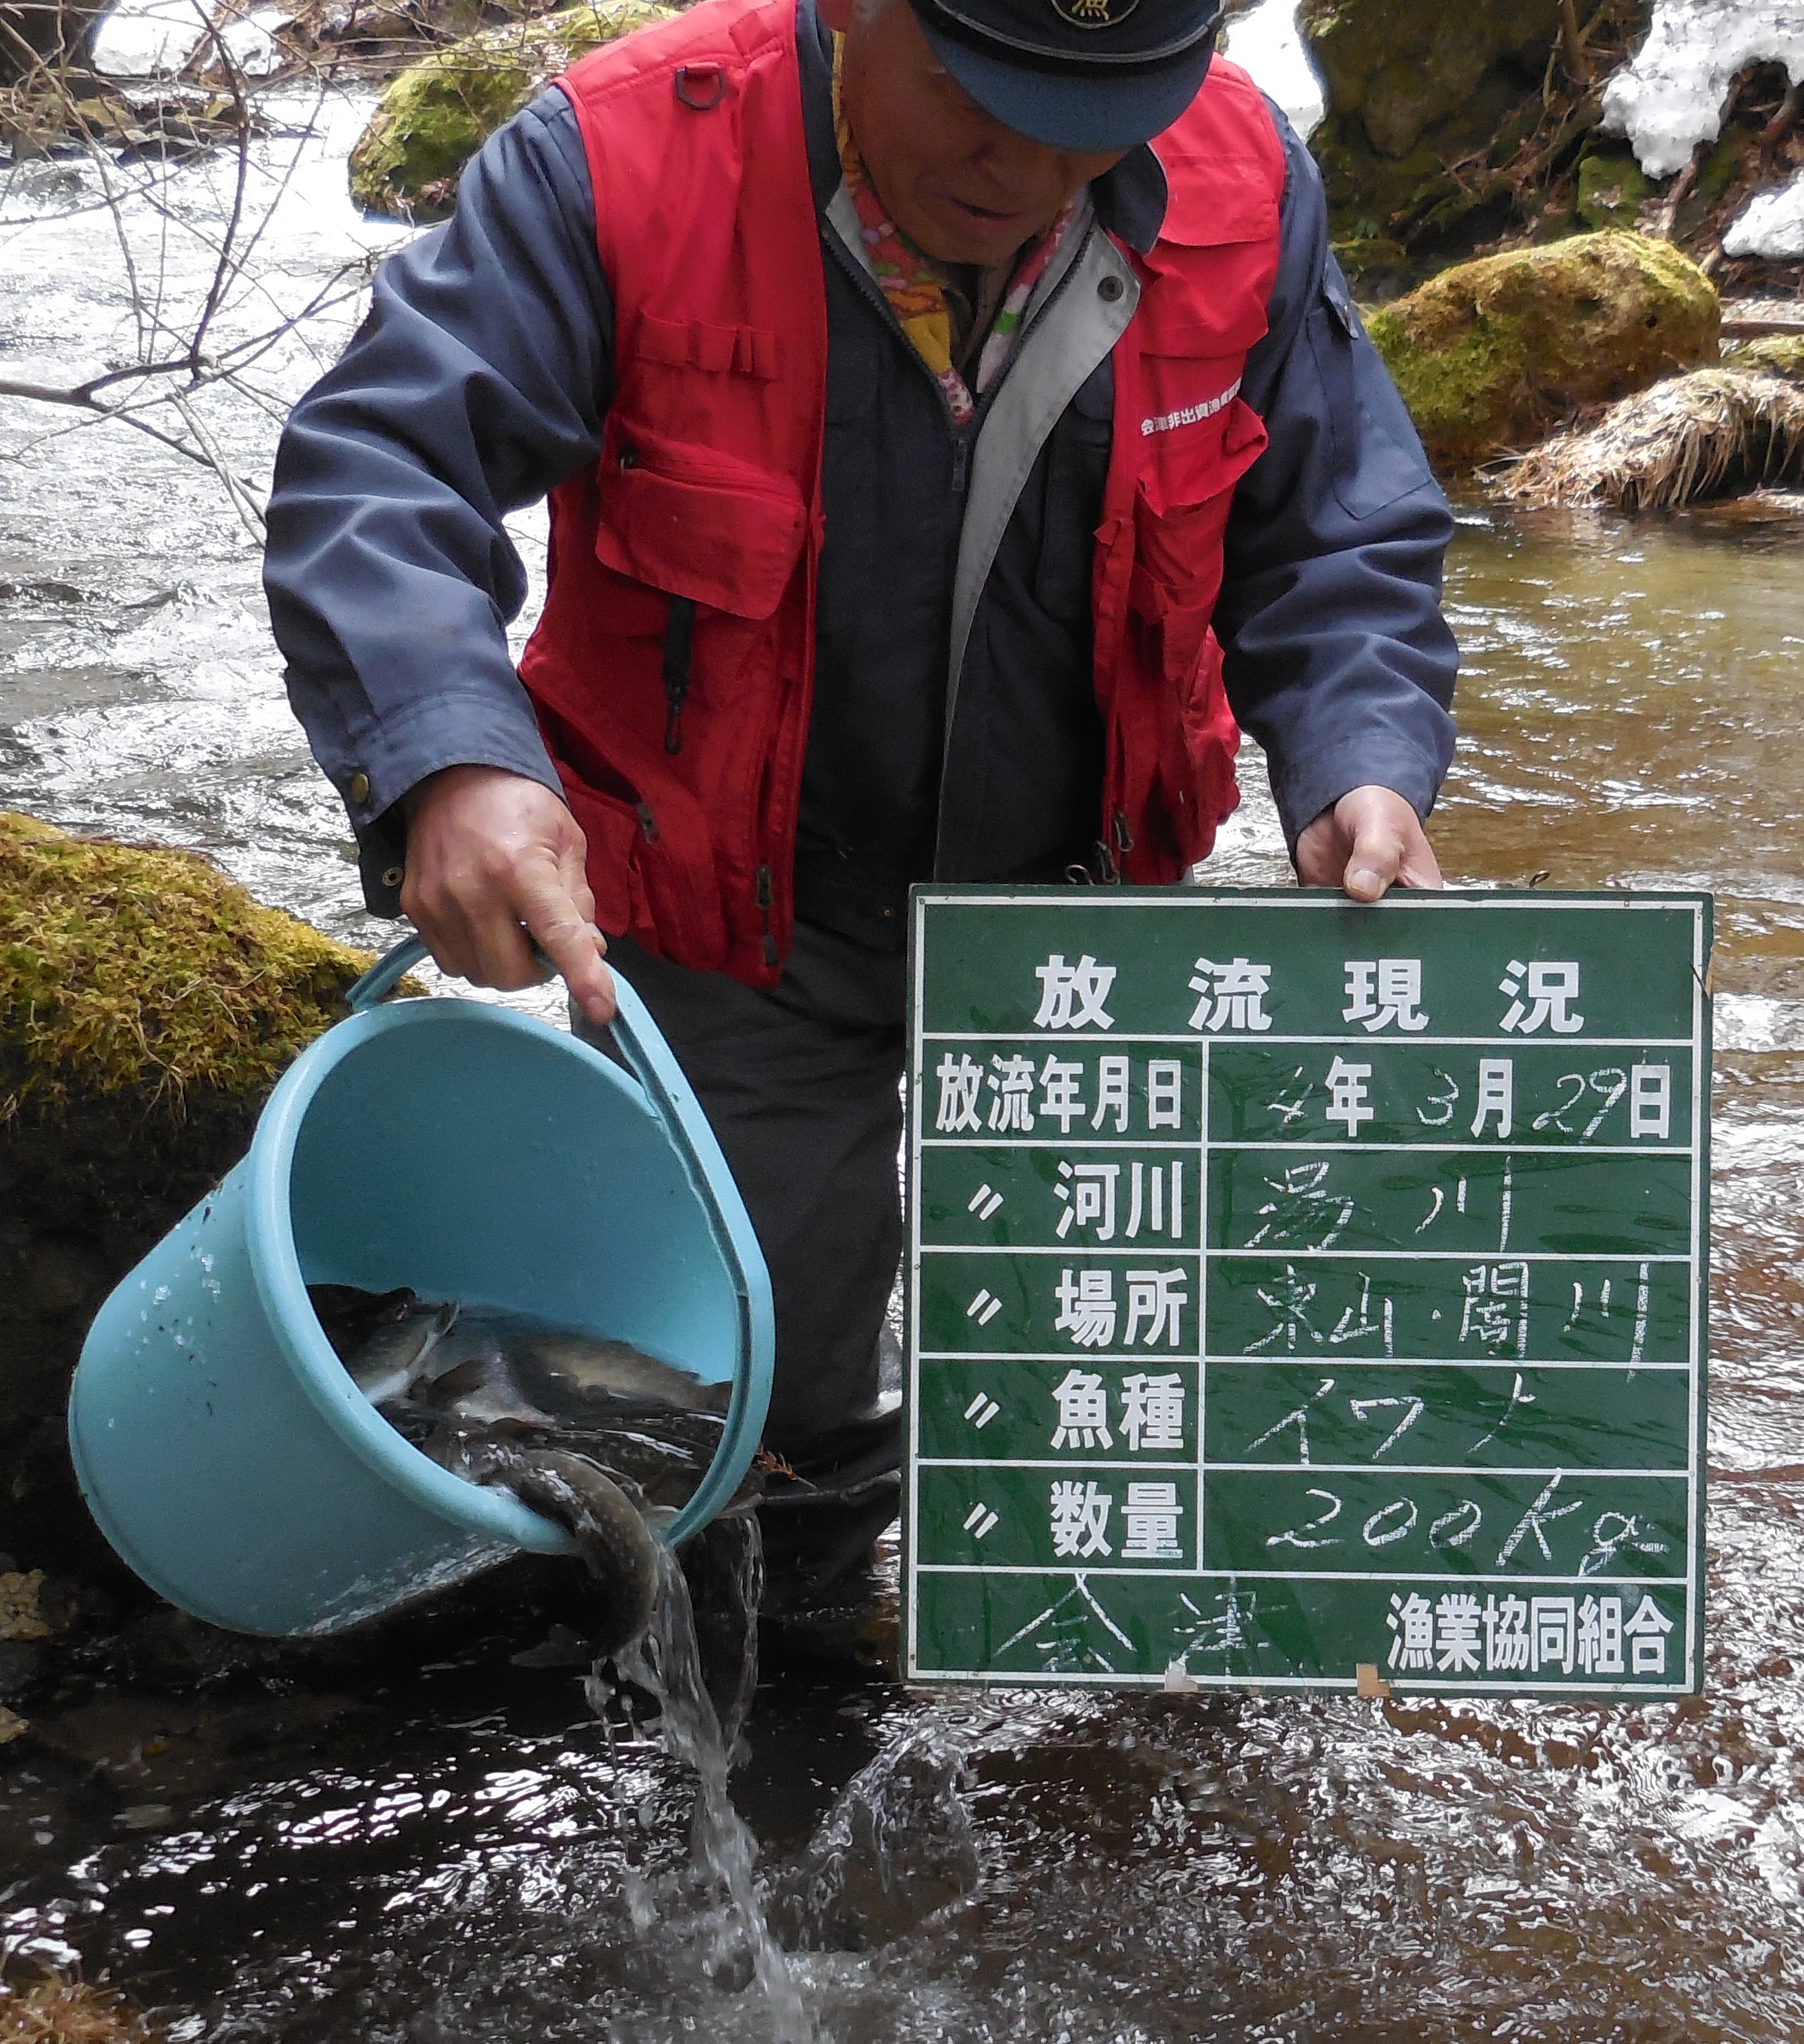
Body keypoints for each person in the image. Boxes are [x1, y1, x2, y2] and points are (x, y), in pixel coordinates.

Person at [262, 0, 1458, 1614]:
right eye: (983, 94)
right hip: (736, 928)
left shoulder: (1243, 179)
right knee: (758, 1433)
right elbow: (383, 468)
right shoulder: (623, 157)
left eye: (1091, 116)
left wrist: (1363, 755)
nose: (1027, 165)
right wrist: (451, 761)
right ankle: (786, 1733)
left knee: (1113, 1435)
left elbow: (1335, 531)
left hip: (1080, 916)